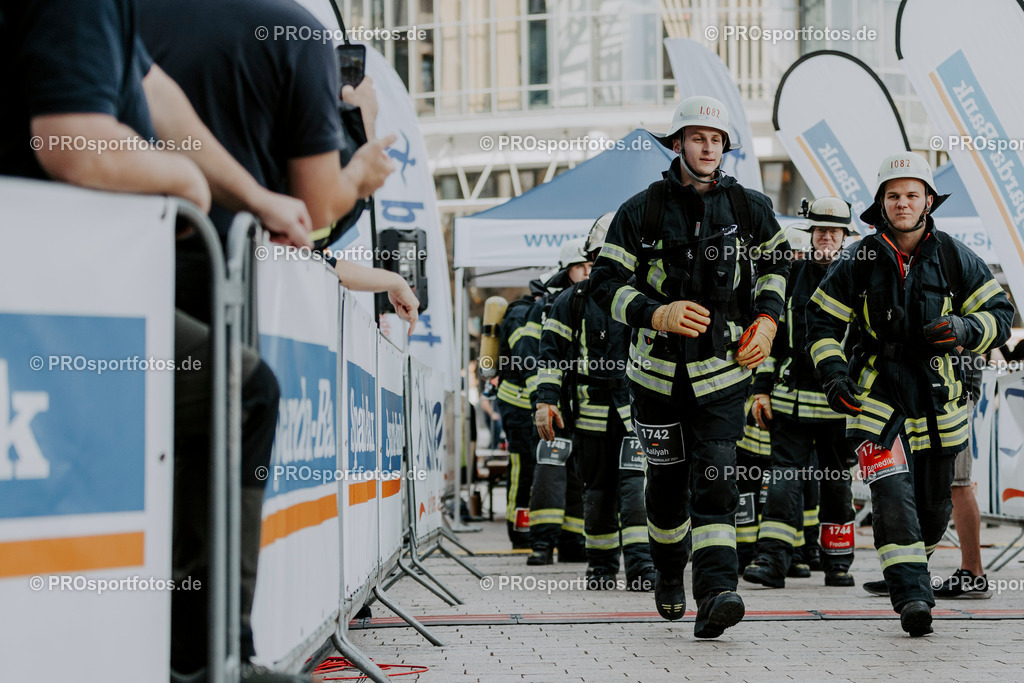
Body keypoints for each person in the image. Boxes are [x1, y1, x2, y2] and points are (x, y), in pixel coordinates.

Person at [0, 2, 316, 681]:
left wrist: (252, 195)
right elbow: (76, 140)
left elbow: (156, 95)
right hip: (50, 303)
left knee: (231, 391)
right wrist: (183, 185)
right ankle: (207, 652)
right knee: (242, 390)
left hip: (67, 294)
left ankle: (199, 646)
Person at [590, 95, 791, 638]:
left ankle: (717, 592)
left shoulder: (750, 206)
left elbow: (777, 265)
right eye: (697, 138)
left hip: (724, 378)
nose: (707, 147)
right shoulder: (641, 210)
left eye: (716, 139)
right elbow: (604, 286)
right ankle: (667, 574)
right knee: (666, 487)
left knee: (717, 481)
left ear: (725, 147)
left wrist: (769, 321)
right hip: (654, 380)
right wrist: (657, 313)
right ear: (677, 143)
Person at [805, 151, 1013, 636]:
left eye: (911, 195)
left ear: (928, 202)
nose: (902, 203)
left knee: (935, 507)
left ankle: (911, 570)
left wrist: (963, 327)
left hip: (939, 400)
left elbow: (1000, 315)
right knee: (892, 494)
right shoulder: (859, 258)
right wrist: (835, 375)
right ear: (881, 202)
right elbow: (820, 323)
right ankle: (913, 596)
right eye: (893, 195)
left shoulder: (955, 255)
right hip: (877, 397)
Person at [136, 0, 417, 330]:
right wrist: (361, 131)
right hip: (217, 293)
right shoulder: (299, 34)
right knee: (255, 383)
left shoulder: (122, 13)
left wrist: (392, 280)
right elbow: (313, 222)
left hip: (113, 272)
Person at [742, 196, 858, 590]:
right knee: (783, 481)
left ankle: (838, 563)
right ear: (812, 235)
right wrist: (761, 389)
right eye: (820, 230)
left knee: (836, 482)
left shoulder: (856, 277)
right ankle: (773, 561)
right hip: (789, 401)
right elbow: (772, 341)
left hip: (839, 404)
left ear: (845, 236)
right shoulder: (791, 276)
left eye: (833, 231)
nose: (826, 237)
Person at [535, 214, 656, 591]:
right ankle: (601, 569)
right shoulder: (573, 300)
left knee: (636, 490)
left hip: (636, 415)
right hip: (590, 415)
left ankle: (642, 569)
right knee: (598, 492)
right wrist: (546, 402)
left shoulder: (645, 299)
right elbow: (551, 355)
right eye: (602, 255)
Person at [864, 350, 992, 599]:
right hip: (934, 386)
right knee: (933, 482)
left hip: (953, 388)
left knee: (957, 482)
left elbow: (981, 326)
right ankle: (909, 572)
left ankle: (974, 574)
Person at [526, 238, 591, 566]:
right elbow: (535, 354)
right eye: (581, 266)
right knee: (550, 469)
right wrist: (544, 400)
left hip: (585, 406)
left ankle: (573, 542)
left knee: (581, 472)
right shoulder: (548, 307)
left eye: (591, 264)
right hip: (554, 403)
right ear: (567, 272)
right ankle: (542, 543)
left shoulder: (600, 302)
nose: (588, 271)